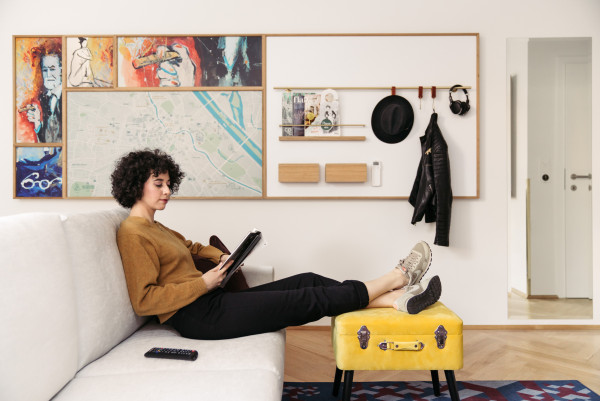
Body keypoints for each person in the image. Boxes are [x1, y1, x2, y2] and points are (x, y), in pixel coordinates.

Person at [111, 149, 442, 340]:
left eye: (169, 184)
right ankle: (398, 277)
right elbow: (144, 300)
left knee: (308, 280)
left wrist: (224, 258)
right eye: (159, 184)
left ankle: (395, 301)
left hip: (211, 299)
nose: (167, 190)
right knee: (309, 298)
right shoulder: (132, 233)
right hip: (197, 317)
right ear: (136, 186)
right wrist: (203, 282)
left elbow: (194, 248)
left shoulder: (156, 226)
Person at [25, 47, 62, 143]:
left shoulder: (68, 97)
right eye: (45, 70)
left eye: (52, 69)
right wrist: (37, 122)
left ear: (61, 70)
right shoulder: (45, 98)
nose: (48, 74)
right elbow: (47, 141)